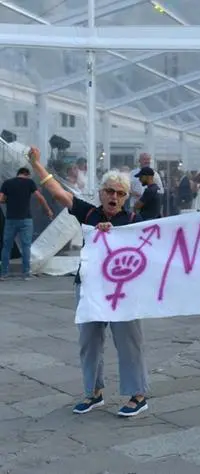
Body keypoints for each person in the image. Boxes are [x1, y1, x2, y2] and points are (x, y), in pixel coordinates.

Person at [27, 146, 150, 417]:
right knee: (89, 342)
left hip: (121, 292)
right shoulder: (89, 213)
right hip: (90, 289)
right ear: (101, 193)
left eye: (120, 193)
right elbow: (58, 193)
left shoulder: (132, 220)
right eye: (110, 191)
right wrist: (36, 165)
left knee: (129, 341)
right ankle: (93, 392)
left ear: (126, 197)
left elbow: (145, 250)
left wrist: (112, 232)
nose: (114, 197)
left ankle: (137, 395)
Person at [0, 167, 53, 280]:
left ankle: (3, 273)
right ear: (27, 174)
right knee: (26, 247)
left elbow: (1, 199)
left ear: (18, 173)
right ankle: (26, 274)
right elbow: (40, 197)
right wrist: (47, 210)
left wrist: (8, 200)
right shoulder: (29, 182)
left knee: (6, 247)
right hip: (26, 220)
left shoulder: (7, 183)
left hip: (11, 219)